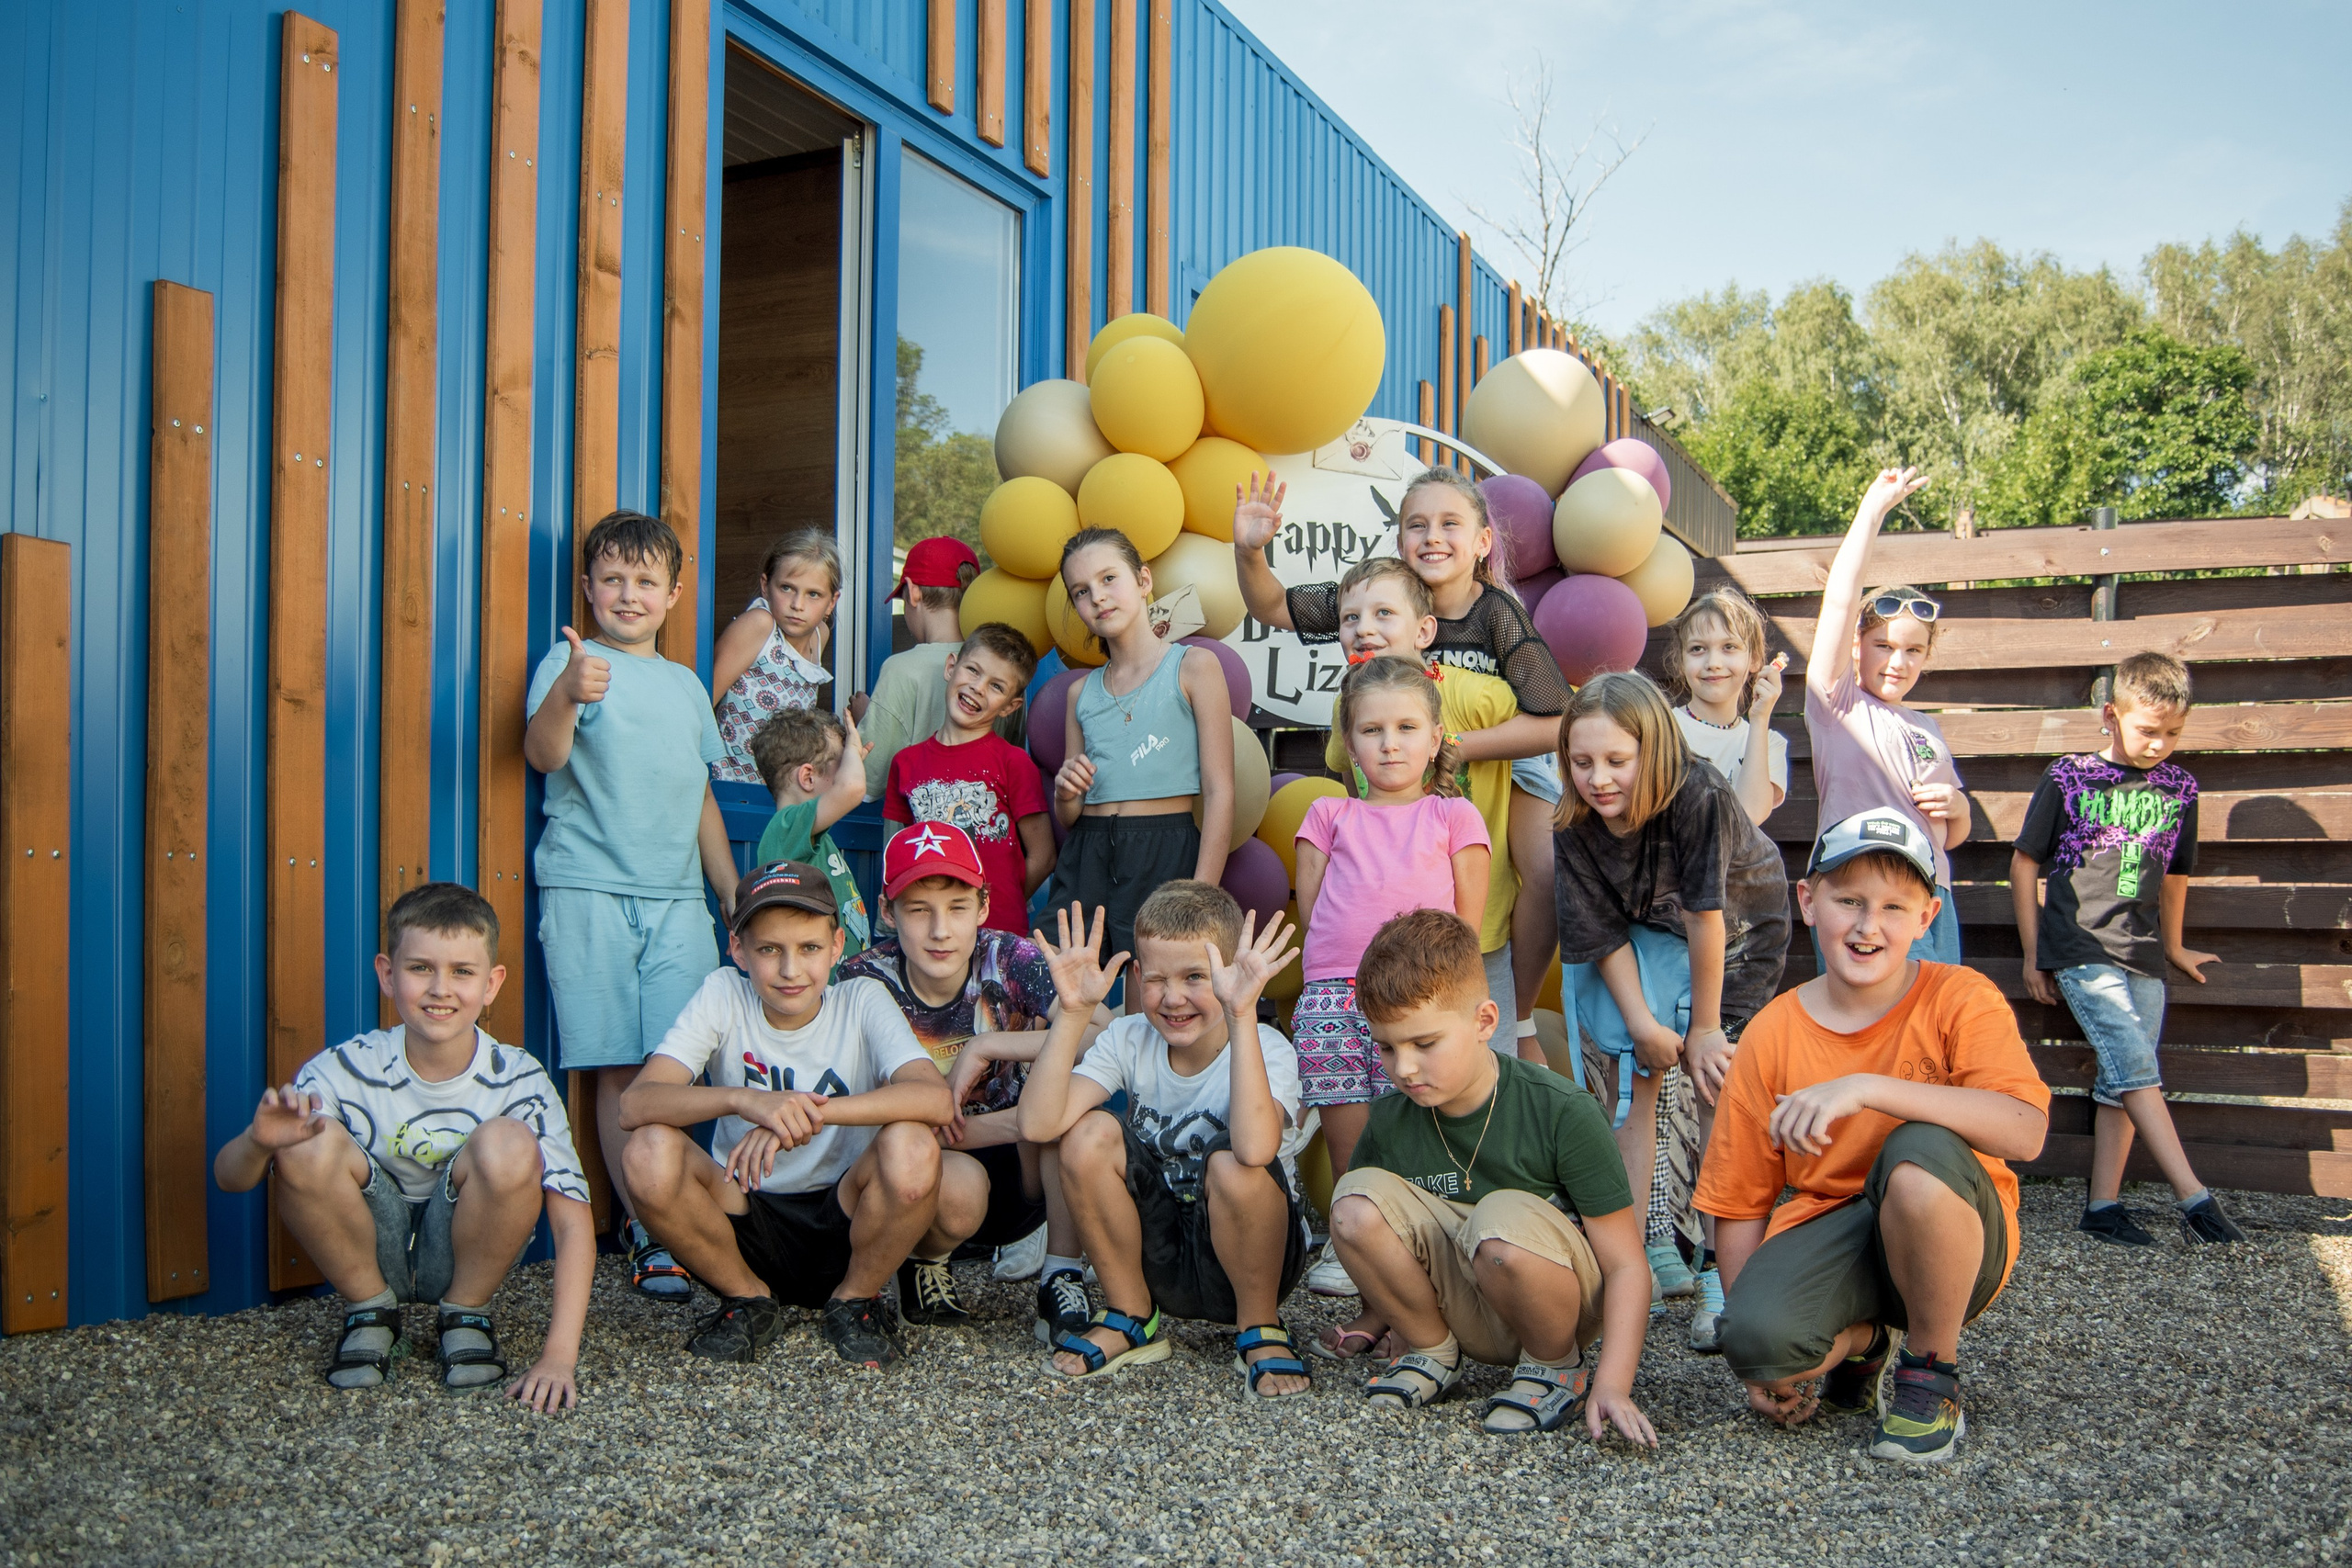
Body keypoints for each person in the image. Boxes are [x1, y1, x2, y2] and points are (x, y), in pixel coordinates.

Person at [1697, 808, 2051, 1464]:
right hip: (1835, 1229)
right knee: (1758, 1343)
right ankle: (1866, 1343)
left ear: (1927, 916)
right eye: (1849, 901)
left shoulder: (1961, 996)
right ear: (1809, 902)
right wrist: (1753, 1356)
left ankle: (1931, 1371)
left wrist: (1865, 1087)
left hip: (1957, 1233)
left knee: (1918, 1155)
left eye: (1894, 907)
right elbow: (1739, 1200)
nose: (1868, 926)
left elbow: (2025, 1131)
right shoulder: (1773, 1032)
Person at [211, 884, 594, 1406]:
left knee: (509, 1141)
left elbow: (572, 1223)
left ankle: (466, 1315)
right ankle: (370, 1311)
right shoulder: (345, 1068)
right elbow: (230, 1179)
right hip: (369, 1245)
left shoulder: (519, 1078)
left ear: (491, 984)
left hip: (466, 1252)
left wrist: (559, 1357)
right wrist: (259, 1143)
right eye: (420, 968)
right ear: (388, 975)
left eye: (462, 971)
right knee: (306, 1140)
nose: (441, 989)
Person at [1237, 467, 1566, 1049]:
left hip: (1500, 738)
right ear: (1399, 540)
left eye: (1449, 524)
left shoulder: (1495, 614)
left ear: (1482, 542)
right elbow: (1272, 607)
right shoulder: (1380, 596)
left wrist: (1454, 745)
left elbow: (1555, 718)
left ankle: (1518, 1019)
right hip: (1404, 757)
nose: (1432, 536)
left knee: (1539, 871)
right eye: (1417, 525)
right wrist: (1249, 552)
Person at [619, 862, 988, 1369]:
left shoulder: (860, 998)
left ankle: (855, 1300)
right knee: (647, 1150)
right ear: (738, 949)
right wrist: (746, 1100)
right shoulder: (724, 993)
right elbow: (636, 1104)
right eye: (770, 950)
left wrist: (806, 1113)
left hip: (847, 1211)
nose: (791, 969)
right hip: (744, 1211)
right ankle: (748, 1300)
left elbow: (934, 1100)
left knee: (914, 1143)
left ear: (837, 946)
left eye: (810, 948)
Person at [1326, 908, 1657, 1444]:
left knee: (1499, 1220)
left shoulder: (1561, 1110)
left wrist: (1614, 1384)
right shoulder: (1390, 1118)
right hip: (1460, 1304)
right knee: (1352, 1204)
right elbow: (1376, 1230)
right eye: (1387, 1047)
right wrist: (1381, 1321)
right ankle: (1433, 1352)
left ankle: (1555, 1368)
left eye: (1424, 1044)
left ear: (1484, 1022)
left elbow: (1625, 1265)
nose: (1403, 1068)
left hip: (1553, 1300)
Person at [523, 508, 740, 1305]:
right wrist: (568, 695)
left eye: (645, 580)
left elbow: (702, 797)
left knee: (675, 1062)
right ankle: (650, 1229)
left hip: (679, 897)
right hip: (590, 889)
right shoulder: (571, 660)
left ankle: (680, 1211)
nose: (627, 593)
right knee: (620, 1063)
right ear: (587, 586)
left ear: (673, 594)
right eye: (611, 578)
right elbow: (543, 752)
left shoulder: (686, 685)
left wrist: (728, 889)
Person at [1553, 671, 1789, 1353]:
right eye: (1582, 761)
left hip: (1737, 939)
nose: (1599, 778)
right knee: (1635, 1084)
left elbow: (1705, 916)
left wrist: (1705, 1028)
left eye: (1616, 760)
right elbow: (1599, 935)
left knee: (1716, 1087)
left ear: (1651, 750)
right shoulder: (1574, 823)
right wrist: (1644, 1028)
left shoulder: (1698, 794)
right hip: (1646, 939)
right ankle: (1629, 1270)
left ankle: (1722, 1275)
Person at [1017, 885, 1314, 1399]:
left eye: (1195, 977)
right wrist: (1073, 1012)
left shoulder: (1268, 1047)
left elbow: (1255, 1151)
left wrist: (1242, 1014)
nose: (1173, 998)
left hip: (1251, 1261)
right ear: (1137, 977)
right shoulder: (1128, 1037)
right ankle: (1131, 1313)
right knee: (1086, 1133)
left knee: (1233, 1161)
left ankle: (1261, 1326)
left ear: (1229, 974)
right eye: (1156, 979)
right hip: (1157, 1254)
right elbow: (1039, 1125)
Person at [838, 820, 1114, 1335]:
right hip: (926, 1168)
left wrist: (988, 1045)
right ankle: (922, 1257)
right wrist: (1017, 1122)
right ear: (887, 912)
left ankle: (1061, 1272)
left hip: (1021, 1165)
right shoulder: (864, 979)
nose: (940, 930)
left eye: (957, 908)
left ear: (984, 906)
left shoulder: (1006, 957)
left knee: (1072, 1108)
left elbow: (1105, 1033)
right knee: (934, 1160)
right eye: (918, 910)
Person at [2011, 650, 2243, 1245]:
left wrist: (2176, 947)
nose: (2160, 744)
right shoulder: (2069, 776)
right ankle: (2195, 1199)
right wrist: (2034, 953)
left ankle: (2103, 1205)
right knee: (2138, 1069)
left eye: (2174, 733)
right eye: (2148, 730)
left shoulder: (2180, 788)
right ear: (2111, 715)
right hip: (2081, 947)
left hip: (2143, 954)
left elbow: (2176, 876)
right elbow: (2024, 863)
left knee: (2123, 1079)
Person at [1295, 654, 1490, 1322]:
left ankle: (1430, 1266)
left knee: (1422, 1134)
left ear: (1435, 738)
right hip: (1334, 995)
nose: (1389, 744)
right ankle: (1361, 1261)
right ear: (1349, 744)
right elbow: (1313, 910)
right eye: (1372, 730)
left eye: (1406, 728)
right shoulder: (1327, 813)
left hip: (1421, 1000)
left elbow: (1467, 928)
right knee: (1352, 1139)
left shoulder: (1454, 817)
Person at [1317, 558, 1524, 1053]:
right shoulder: (1346, 704)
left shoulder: (1471, 691)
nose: (1364, 629)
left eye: (1383, 613)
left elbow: (1555, 717)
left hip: (1473, 927)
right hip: (1370, 948)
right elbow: (1353, 790)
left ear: (1424, 630)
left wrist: (1455, 745)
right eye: (1350, 618)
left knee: (1479, 1056)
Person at [1048, 528, 1236, 984]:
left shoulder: (1194, 667)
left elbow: (1220, 791)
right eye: (1081, 591)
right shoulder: (1079, 692)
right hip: (1087, 852)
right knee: (1055, 986)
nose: (1097, 596)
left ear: (1144, 580)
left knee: (1148, 994)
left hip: (1164, 848)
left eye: (1109, 578)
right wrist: (1066, 792)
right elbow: (1069, 817)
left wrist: (1199, 895)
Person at [1804, 468, 1968, 963]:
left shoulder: (1927, 728)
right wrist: (1872, 511)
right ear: (1856, 646)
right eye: (1884, 646)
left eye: (1913, 650)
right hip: (1859, 892)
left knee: (1936, 1009)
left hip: (1930, 897)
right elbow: (1840, 600)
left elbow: (1949, 832)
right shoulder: (1837, 704)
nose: (1898, 662)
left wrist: (1959, 809)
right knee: (1868, 1008)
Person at [883, 621, 1054, 934]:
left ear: (1010, 707)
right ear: (951, 667)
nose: (978, 687)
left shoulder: (1014, 763)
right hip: (930, 932)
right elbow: (905, 853)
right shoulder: (905, 763)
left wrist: (999, 902)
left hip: (998, 930)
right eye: (973, 670)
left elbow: (1043, 856)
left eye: (996, 686)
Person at [712, 530, 842, 784]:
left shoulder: (820, 635)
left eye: (813, 594)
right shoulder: (759, 625)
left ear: (832, 602)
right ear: (765, 586)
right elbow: (701, 702)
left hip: (781, 788)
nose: (797, 604)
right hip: (731, 783)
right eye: (787, 588)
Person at [860, 536, 982, 799]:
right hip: (984, 822)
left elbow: (870, 780)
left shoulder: (900, 669)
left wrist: (865, 717)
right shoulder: (998, 669)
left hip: (916, 825)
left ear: (913, 593)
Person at [750, 706, 874, 961]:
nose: (850, 770)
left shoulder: (808, 834)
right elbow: (852, 788)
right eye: (842, 765)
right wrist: (851, 750)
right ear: (808, 777)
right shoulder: (785, 829)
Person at [1667, 587, 1791, 828]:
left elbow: (1749, 816)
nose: (1713, 663)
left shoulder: (1769, 744)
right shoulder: (1661, 729)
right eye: (1697, 649)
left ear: (1755, 659)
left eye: (1729, 647)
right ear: (1681, 661)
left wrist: (1759, 719)